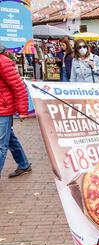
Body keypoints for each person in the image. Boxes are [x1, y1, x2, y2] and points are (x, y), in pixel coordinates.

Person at [0, 42, 32, 178]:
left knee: (1, 145)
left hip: (3, 110)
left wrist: (23, 110)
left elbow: (19, 87)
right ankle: (24, 164)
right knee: (10, 139)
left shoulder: (3, 62)